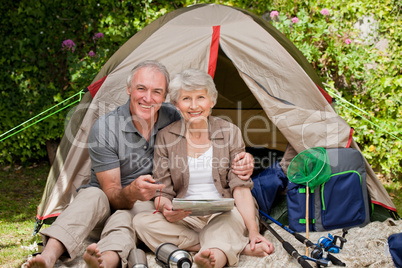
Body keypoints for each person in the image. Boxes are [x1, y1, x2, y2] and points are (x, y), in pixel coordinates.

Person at [27, 61, 254, 268]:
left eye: (157, 92)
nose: (148, 98)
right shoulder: (106, 127)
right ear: (129, 89)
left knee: (132, 218)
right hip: (108, 198)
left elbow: (207, 136)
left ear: (165, 97)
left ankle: (104, 260)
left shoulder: (173, 118)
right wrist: (136, 192)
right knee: (93, 198)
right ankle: (48, 255)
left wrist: (246, 159)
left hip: (141, 202)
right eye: (141, 89)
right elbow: (113, 195)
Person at [133, 68, 275, 268]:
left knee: (230, 219)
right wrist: (166, 209)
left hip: (225, 212)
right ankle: (233, 246)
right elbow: (162, 191)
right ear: (175, 104)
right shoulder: (166, 137)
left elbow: (240, 187)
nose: (194, 105)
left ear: (212, 100)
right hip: (186, 218)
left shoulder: (229, 132)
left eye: (200, 97)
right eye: (186, 99)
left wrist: (253, 231)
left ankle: (214, 256)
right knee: (141, 222)